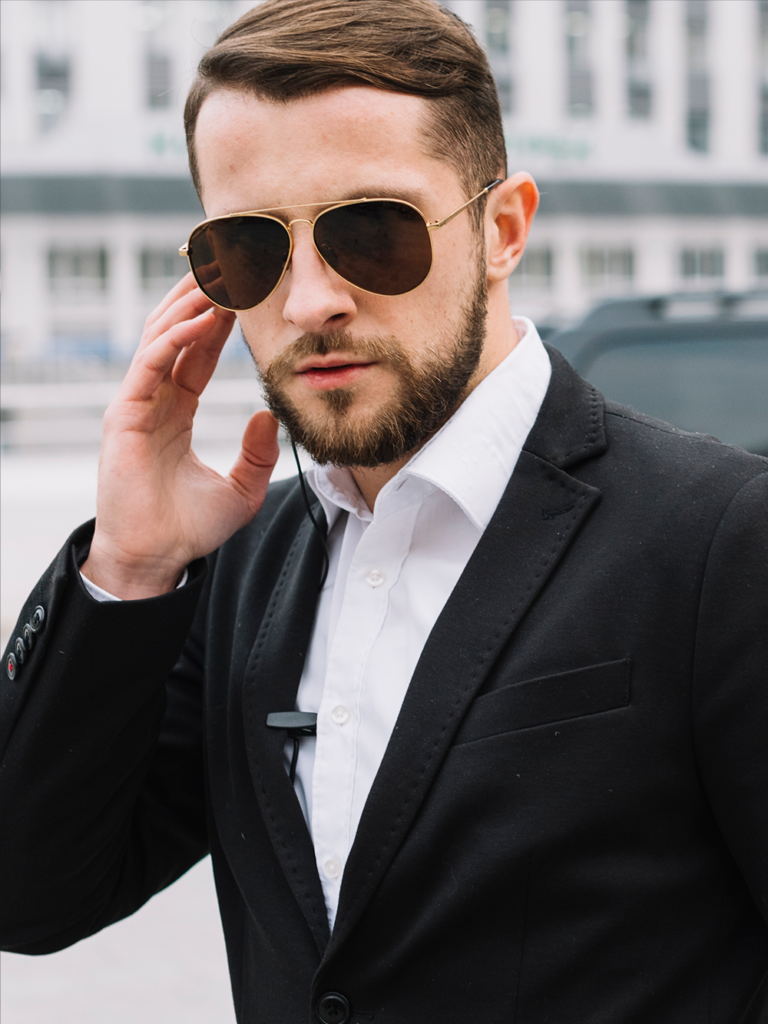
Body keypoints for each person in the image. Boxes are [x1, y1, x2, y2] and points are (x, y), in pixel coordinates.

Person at [1, 1, 766, 1021]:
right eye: (252, 248)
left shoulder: (721, 539)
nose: (310, 298)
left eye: (372, 230)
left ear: (502, 230)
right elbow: (31, 893)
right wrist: (130, 566)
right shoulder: (241, 566)